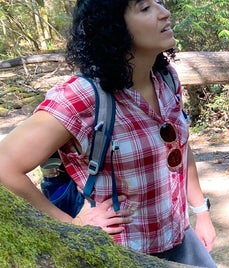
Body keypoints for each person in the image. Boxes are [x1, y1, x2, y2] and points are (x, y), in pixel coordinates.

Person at [0, 0, 216, 266]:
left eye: (159, 2)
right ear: (113, 26)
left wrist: (201, 213)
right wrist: (71, 226)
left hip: (179, 238)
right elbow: (4, 165)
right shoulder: (83, 96)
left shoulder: (166, 79)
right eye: (145, 8)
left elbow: (180, 148)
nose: (164, 13)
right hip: (122, 255)